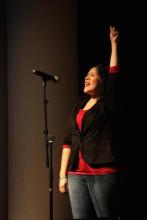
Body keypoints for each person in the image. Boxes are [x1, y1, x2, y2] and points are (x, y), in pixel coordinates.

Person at [59, 26, 125, 219]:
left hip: (102, 171)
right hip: (75, 174)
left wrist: (114, 45)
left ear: (102, 81)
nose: (87, 77)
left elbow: (115, 76)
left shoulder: (107, 104)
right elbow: (67, 141)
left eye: (93, 75)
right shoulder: (78, 106)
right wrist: (63, 175)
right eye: (86, 75)